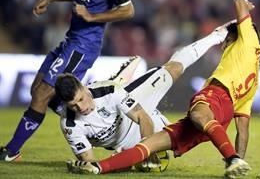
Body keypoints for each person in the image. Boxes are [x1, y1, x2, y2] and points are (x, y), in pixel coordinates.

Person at [66, 0, 260, 178]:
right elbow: (243, 129)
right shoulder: (253, 81)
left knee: (198, 114)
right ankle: (97, 168)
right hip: (220, 117)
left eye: (226, 41)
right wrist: (241, 160)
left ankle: (232, 159)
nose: (224, 47)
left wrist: (245, 6)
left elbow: (238, 1)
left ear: (235, 36)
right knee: (149, 145)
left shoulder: (249, 39)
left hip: (217, 95)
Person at [0, 0, 135, 161]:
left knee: (42, 94)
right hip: (71, 40)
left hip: (83, 47)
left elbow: (127, 10)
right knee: (37, 91)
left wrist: (92, 17)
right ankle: (97, 123)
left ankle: (11, 151)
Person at [57, 23, 230, 168]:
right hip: (124, 143)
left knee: (173, 69)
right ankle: (121, 80)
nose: (80, 108)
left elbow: (141, 116)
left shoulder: (108, 92)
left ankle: (217, 35)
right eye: (73, 105)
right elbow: (90, 162)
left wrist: (148, 149)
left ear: (83, 87)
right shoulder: (69, 124)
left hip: (138, 106)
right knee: (186, 136)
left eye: (80, 99)